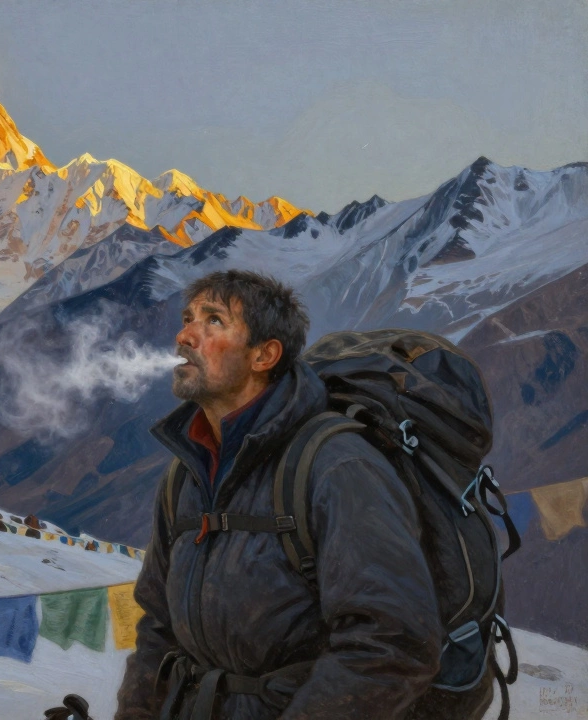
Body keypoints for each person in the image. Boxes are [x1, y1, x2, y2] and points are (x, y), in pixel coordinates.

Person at [114, 270, 451, 719]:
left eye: (213, 321)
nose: (185, 336)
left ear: (264, 355)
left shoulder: (337, 466)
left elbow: (392, 643)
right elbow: (158, 626)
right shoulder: (186, 474)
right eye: (187, 318)